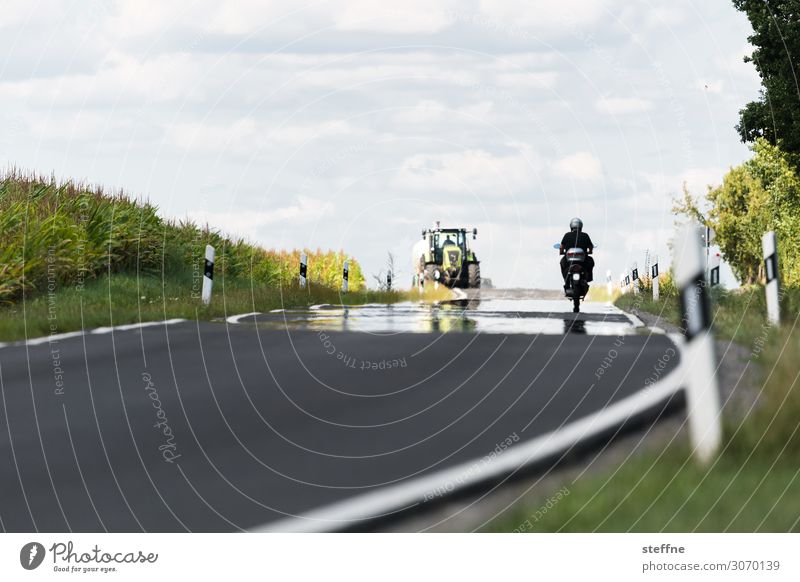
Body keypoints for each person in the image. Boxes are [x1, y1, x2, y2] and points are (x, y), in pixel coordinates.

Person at [559, 217, 594, 283]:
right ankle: (588, 278)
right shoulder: (585, 235)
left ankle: (565, 279)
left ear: (571, 226)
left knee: (561, 263)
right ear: (581, 226)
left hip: (569, 261)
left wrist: (561, 252)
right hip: (583, 261)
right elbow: (590, 247)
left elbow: (561, 247)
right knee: (591, 261)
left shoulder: (567, 235)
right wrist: (590, 251)